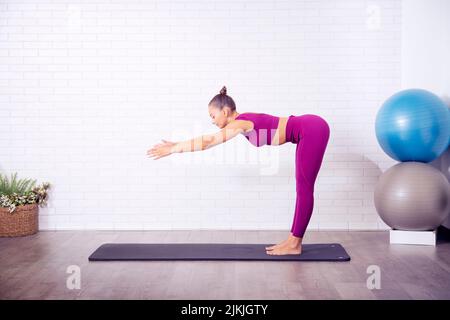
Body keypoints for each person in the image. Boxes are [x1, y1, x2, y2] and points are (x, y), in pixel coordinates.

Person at [147, 86, 330, 255]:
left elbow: (208, 142)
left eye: (213, 116)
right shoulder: (243, 121)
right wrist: (177, 144)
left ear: (225, 111)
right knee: (302, 188)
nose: (212, 121)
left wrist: (173, 150)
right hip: (307, 131)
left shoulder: (240, 123)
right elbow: (207, 139)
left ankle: (294, 244)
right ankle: (292, 241)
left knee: (304, 188)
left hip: (312, 129)